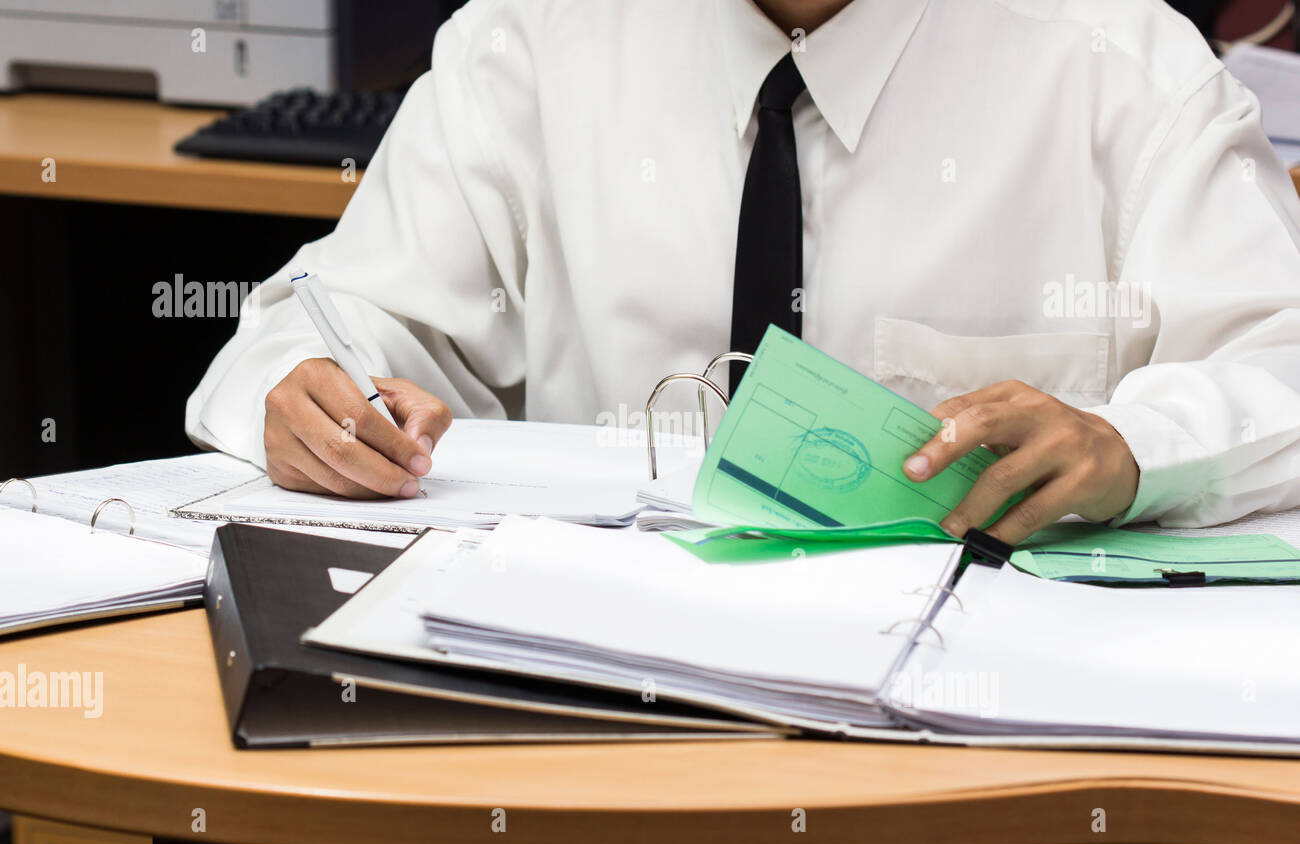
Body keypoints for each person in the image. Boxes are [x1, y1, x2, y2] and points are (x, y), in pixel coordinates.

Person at [187, 0, 1300, 544]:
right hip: (591, 710)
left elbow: (1280, 360)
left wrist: (1131, 448)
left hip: (974, 749)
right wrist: (309, 402)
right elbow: (327, 324)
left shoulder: (1119, 59)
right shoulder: (530, 39)